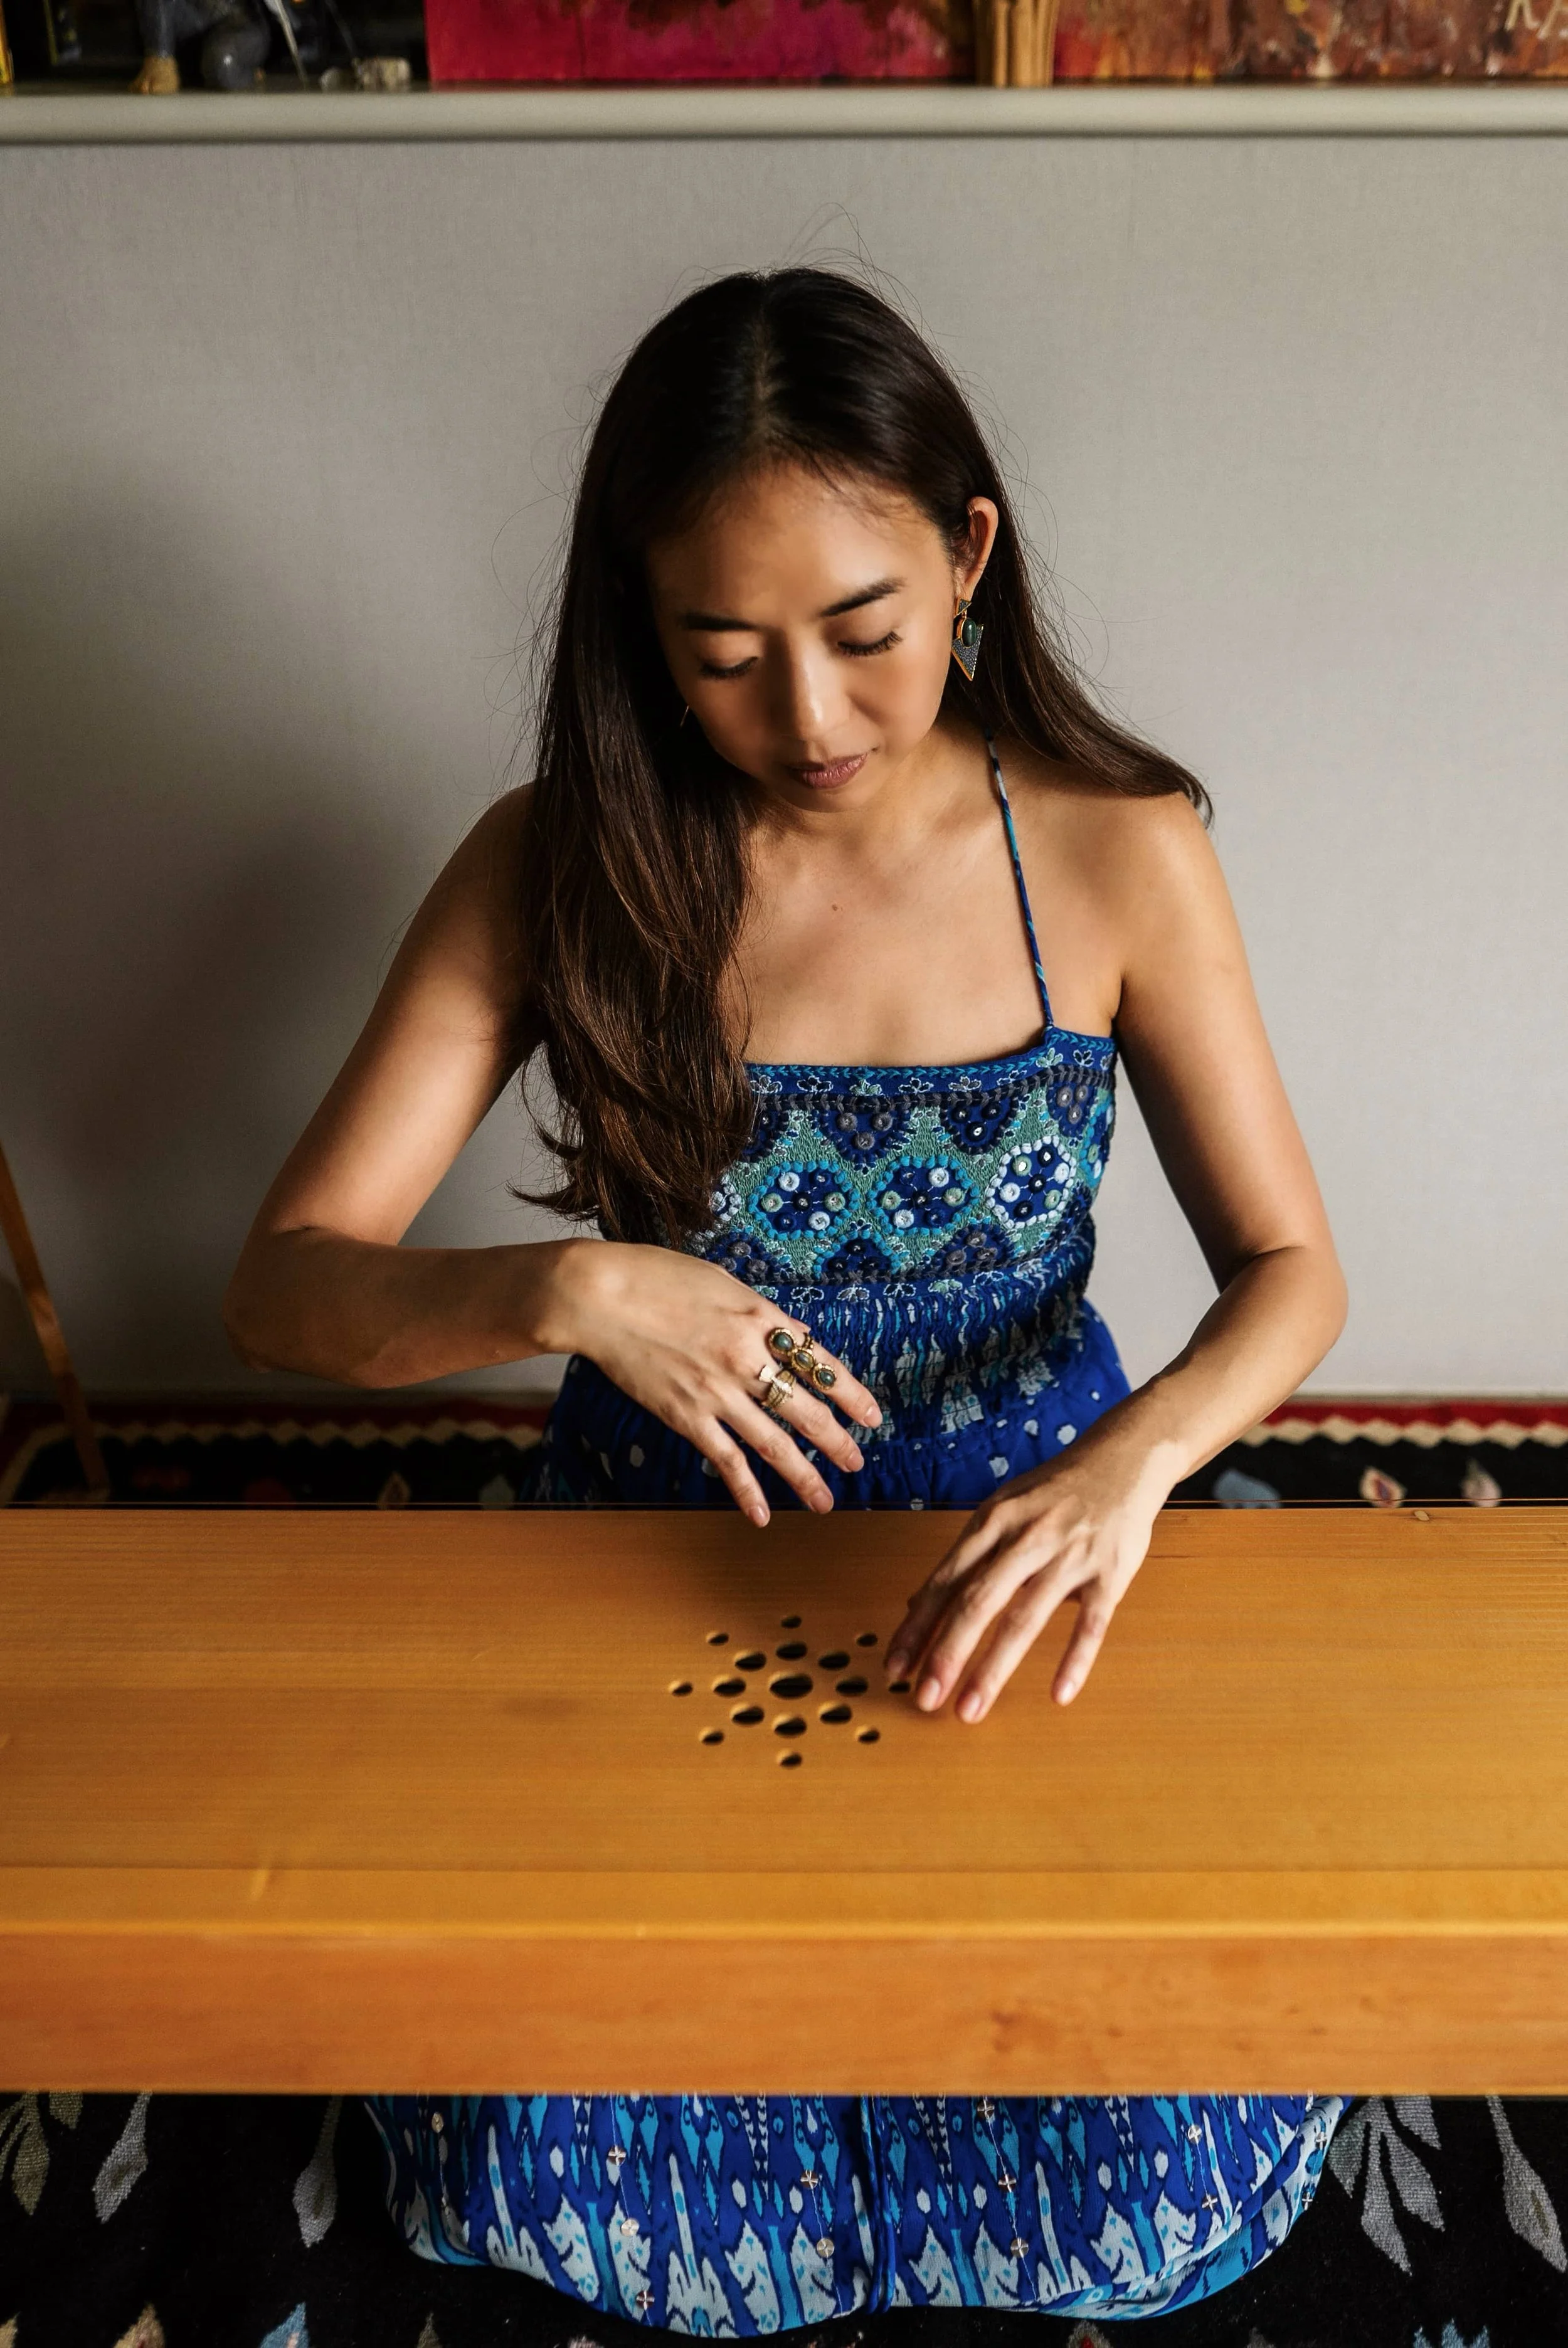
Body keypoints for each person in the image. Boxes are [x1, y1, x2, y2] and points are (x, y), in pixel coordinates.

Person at [225, 266, 1351, 2329]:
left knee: (1110, 2115)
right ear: (638, 631)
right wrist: (564, 1287)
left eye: (866, 636)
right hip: (661, 1547)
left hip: (1021, 1535)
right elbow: (281, 1291)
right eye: (724, 655)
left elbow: (1289, 1273)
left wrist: (1131, 1473)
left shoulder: (1118, 848)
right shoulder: (549, 862)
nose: (808, 722)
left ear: (968, 558)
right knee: (560, 2120)